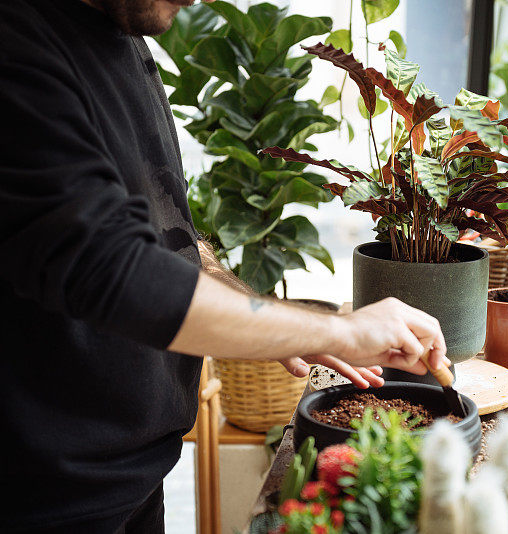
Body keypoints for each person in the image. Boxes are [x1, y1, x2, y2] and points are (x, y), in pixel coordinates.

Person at [0, 0, 448, 532]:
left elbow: (167, 236)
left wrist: (289, 324)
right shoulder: (18, 42)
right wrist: (341, 329)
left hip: (130, 477)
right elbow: (116, 271)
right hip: (43, 499)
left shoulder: (118, 30)